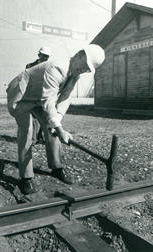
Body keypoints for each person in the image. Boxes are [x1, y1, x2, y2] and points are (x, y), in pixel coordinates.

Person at [6, 44, 105, 195]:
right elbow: (49, 101)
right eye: (84, 65)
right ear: (78, 55)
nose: (84, 70)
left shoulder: (74, 75)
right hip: (21, 95)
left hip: (39, 98)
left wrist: (57, 123)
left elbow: (65, 98)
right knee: (27, 130)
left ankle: (56, 167)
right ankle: (25, 178)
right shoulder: (57, 68)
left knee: (51, 130)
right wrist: (60, 128)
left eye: (88, 69)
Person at [26, 46, 51, 145]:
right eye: (43, 55)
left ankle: (42, 137)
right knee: (33, 117)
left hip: (44, 94)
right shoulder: (30, 65)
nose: (45, 58)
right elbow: (26, 79)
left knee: (45, 115)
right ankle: (33, 139)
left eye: (47, 56)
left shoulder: (49, 67)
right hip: (33, 94)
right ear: (39, 54)